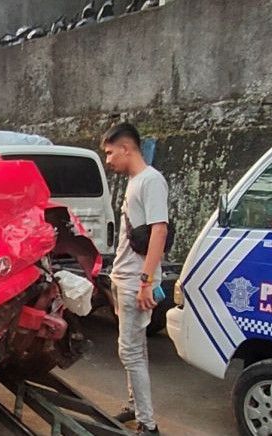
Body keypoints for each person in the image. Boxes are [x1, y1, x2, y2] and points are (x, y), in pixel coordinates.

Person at [101, 123, 168, 436]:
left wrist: (146, 282)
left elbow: (159, 230)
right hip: (123, 276)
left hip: (134, 281)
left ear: (126, 148)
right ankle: (137, 407)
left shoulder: (151, 181)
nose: (108, 160)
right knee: (135, 349)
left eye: (111, 153)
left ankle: (148, 425)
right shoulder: (135, 181)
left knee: (130, 351)